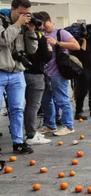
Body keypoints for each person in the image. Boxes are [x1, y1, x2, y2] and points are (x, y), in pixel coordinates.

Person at [0, 0, 39, 153]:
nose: (25, 16)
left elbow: (32, 50)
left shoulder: (23, 25)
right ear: (12, 9)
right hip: (1, 70)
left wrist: (31, 31)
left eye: (27, 13)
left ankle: (18, 142)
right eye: (22, 13)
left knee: (17, 108)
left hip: (17, 72)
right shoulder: (2, 21)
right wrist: (17, 24)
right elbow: (3, 40)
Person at [41, 11, 80, 137]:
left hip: (58, 72)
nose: (43, 26)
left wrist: (57, 43)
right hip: (45, 73)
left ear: (50, 20)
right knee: (46, 100)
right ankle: (50, 125)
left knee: (62, 99)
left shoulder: (60, 33)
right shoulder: (41, 34)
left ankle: (68, 125)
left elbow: (76, 46)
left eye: (44, 23)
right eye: (41, 25)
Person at [24, 12, 53, 145]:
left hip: (22, 72)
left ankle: (22, 133)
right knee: (33, 105)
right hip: (35, 73)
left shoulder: (22, 33)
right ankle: (31, 134)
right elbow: (46, 57)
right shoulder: (39, 37)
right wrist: (50, 49)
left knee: (23, 106)